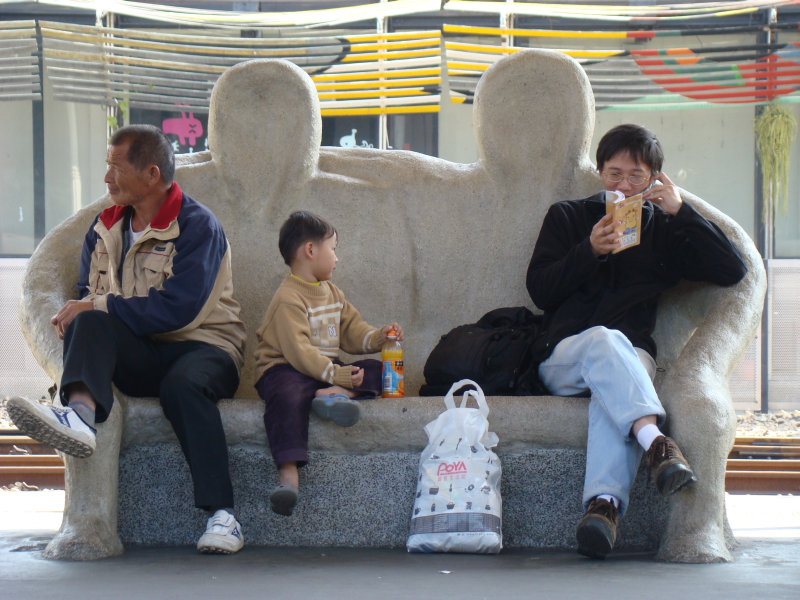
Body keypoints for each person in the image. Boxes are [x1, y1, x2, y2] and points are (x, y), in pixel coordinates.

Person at [8, 125, 247, 555]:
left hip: (205, 347)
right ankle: (78, 417)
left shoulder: (197, 226)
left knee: (181, 385)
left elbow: (180, 309)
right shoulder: (102, 228)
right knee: (88, 319)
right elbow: (89, 296)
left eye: (115, 167)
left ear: (151, 174)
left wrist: (96, 306)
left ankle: (223, 517)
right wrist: (85, 312)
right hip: (144, 351)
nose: (107, 178)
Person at [526, 124, 747, 559]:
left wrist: (682, 211)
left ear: (654, 179)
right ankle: (657, 445)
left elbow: (731, 269)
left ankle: (603, 509)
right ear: (599, 172)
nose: (623, 185)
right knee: (605, 341)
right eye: (614, 174)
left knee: (614, 393)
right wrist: (587, 251)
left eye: (636, 177)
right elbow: (540, 291)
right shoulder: (567, 217)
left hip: (632, 359)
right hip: (565, 355)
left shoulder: (665, 230)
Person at [253, 210, 404, 517]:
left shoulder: (333, 293)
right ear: (311, 251)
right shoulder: (288, 298)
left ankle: (332, 394)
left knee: (378, 369)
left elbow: (353, 333)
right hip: (285, 370)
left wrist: (380, 337)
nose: (336, 258)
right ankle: (288, 475)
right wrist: (338, 374)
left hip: (323, 372)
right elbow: (299, 353)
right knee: (286, 397)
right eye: (333, 249)